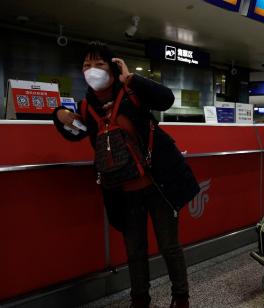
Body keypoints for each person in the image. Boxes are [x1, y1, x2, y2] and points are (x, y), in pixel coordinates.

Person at [53, 42, 199, 308]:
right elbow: (77, 134)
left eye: (99, 64)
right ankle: (139, 300)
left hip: (158, 184)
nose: (91, 70)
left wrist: (131, 78)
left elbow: (166, 99)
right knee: (135, 251)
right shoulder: (88, 107)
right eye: (86, 65)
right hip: (124, 191)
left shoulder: (132, 92)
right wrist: (59, 116)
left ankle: (180, 298)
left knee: (169, 246)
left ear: (113, 67)